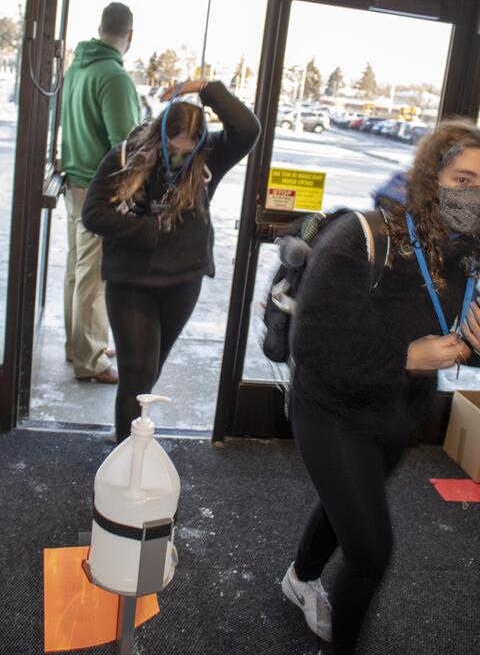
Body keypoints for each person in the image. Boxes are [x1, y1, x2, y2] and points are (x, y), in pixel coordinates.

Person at [282, 118, 480, 655]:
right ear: (430, 176)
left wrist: (476, 343)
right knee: (370, 551)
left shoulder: (469, 252)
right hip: (331, 410)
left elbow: (465, 339)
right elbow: (314, 347)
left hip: (397, 414)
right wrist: (407, 356)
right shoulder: (362, 236)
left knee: (343, 505)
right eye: (463, 179)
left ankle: (299, 578)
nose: (474, 194)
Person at [82, 78, 260, 442]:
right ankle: (127, 453)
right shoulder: (125, 157)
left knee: (148, 375)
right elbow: (93, 213)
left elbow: (247, 128)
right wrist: (148, 231)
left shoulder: (208, 158)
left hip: (183, 281)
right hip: (131, 280)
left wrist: (207, 88)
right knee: (136, 372)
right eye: (173, 148)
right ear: (160, 135)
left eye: (188, 150)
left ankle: (135, 444)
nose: (179, 156)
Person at [61, 2, 141, 384]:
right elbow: (126, 148)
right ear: (130, 35)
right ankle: (90, 359)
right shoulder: (114, 77)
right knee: (93, 278)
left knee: (77, 272)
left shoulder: (77, 68)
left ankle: (78, 345)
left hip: (74, 182)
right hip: (99, 191)